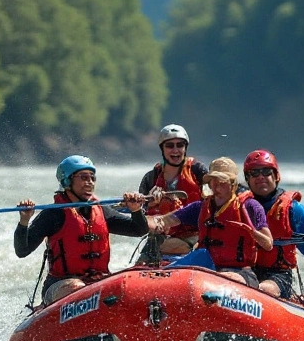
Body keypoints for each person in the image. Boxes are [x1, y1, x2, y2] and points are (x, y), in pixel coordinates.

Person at [15, 155, 149, 304]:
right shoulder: (53, 215)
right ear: (67, 181)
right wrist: (24, 221)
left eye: (92, 178)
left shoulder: (101, 211)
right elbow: (22, 250)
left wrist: (136, 210)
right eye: (84, 177)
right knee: (77, 287)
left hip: (97, 282)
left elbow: (139, 230)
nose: (90, 183)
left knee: (126, 283)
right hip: (61, 285)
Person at [154, 157, 273, 288]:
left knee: (226, 279)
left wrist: (253, 232)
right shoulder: (200, 207)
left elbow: (268, 244)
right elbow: (164, 221)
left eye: (221, 182)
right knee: (169, 276)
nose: (216, 186)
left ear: (233, 184)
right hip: (207, 267)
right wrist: (138, 210)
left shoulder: (251, 206)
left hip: (240, 272)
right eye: (212, 181)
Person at [243, 149, 304, 299]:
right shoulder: (236, 206)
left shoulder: (293, 210)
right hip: (243, 270)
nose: (260, 177)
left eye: (266, 171)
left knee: (261, 289)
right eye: (254, 173)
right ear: (247, 179)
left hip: (278, 277)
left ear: (276, 176)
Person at [139, 124, 208, 256]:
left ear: (185, 148)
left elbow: (215, 199)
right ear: (162, 149)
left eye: (180, 145)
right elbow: (140, 220)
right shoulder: (151, 178)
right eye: (170, 146)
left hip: (195, 238)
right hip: (160, 239)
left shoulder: (198, 171)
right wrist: (149, 203)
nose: (175, 150)